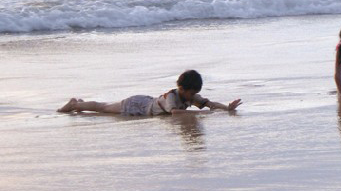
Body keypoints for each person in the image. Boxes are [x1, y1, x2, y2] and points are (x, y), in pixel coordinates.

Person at [57, 70, 242, 115]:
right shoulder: (172, 97)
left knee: (103, 107)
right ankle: (74, 104)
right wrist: (200, 115)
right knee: (103, 108)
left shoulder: (191, 96)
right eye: (191, 93)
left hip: (147, 103)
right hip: (136, 104)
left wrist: (227, 108)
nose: (193, 97)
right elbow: (175, 112)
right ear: (182, 89)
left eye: (195, 94)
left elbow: (210, 104)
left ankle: (80, 102)